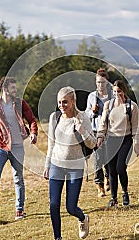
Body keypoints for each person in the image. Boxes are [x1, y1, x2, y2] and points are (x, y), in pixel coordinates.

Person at [0, 76, 38, 222]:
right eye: (13, 88)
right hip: (0, 147)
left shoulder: (20, 103)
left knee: (18, 178)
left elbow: (31, 119)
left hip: (18, 146)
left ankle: (19, 210)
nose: (15, 90)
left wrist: (33, 133)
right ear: (4, 89)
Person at [43, 86, 96, 240]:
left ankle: (83, 218)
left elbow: (92, 144)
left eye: (65, 102)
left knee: (71, 207)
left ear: (73, 101)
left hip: (75, 167)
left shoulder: (82, 118)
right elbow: (51, 143)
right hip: (56, 165)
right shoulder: (55, 117)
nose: (62, 105)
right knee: (53, 205)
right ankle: (57, 238)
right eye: (59, 102)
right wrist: (47, 165)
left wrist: (82, 131)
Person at [96, 80, 139, 208]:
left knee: (120, 167)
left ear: (124, 91)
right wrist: (100, 137)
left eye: (119, 92)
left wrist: (136, 143)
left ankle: (125, 193)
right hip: (111, 140)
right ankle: (113, 198)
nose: (117, 94)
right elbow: (103, 123)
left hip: (125, 140)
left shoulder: (131, 107)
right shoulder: (108, 105)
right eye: (114, 91)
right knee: (111, 170)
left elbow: (136, 127)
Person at [85, 68, 112, 197]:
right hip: (96, 131)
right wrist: (93, 112)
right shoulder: (91, 97)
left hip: (111, 131)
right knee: (97, 159)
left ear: (106, 82)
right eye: (98, 82)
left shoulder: (112, 96)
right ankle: (99, 185)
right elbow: (86, 114)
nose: (100, 85)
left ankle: (108, 179)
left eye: (102, 82)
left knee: (108, 157)